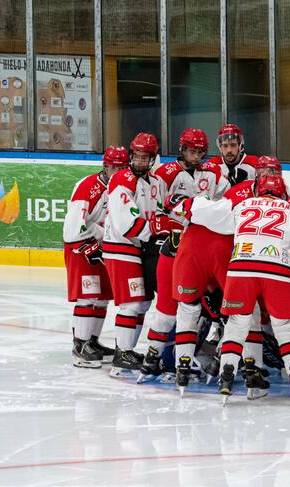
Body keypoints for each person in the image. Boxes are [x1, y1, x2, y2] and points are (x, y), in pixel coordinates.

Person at [170, 157, 290, 404]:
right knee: (284, 326)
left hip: (240, 267)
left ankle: (226, 378)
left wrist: (184, 204)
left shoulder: (242, 204)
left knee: (235, 323)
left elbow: (206, 211)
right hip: (277, 269)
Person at [138, 128, 229, 383]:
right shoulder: (165, 173)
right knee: (169, 309)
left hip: (200, 249)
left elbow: (225, 203)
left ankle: (180, 359)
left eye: (200, 152)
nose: (196, 156)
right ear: (182, 149)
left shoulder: (213, 172)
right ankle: (160, 359)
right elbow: (156, 210)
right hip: (170, 247)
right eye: (192, 151)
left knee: (199, 310)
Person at [103, 132, 179, 377]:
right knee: (132, 303)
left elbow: (161, 213)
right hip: (121, 247)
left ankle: (127, 352)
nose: (139, 160)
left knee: (143, 303)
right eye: (136, 155)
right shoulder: (122, 179)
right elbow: (125, 224)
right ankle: (122, 354)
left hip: (139, 249)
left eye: (145, 157)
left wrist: (171, 219)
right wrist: (156, 229)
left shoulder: (156, 182)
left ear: (153, 158)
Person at [63, 146, 128, 368]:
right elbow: (72, 229)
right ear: (105, 166)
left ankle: (92, 341)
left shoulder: (122, 187)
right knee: (88, 296)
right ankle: (80, 346)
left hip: (103, 247)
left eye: (122, 167)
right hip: (81, 246)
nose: (118, 171)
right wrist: (89, 242)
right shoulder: (88, 186)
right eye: (114, 167)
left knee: (102, 297)